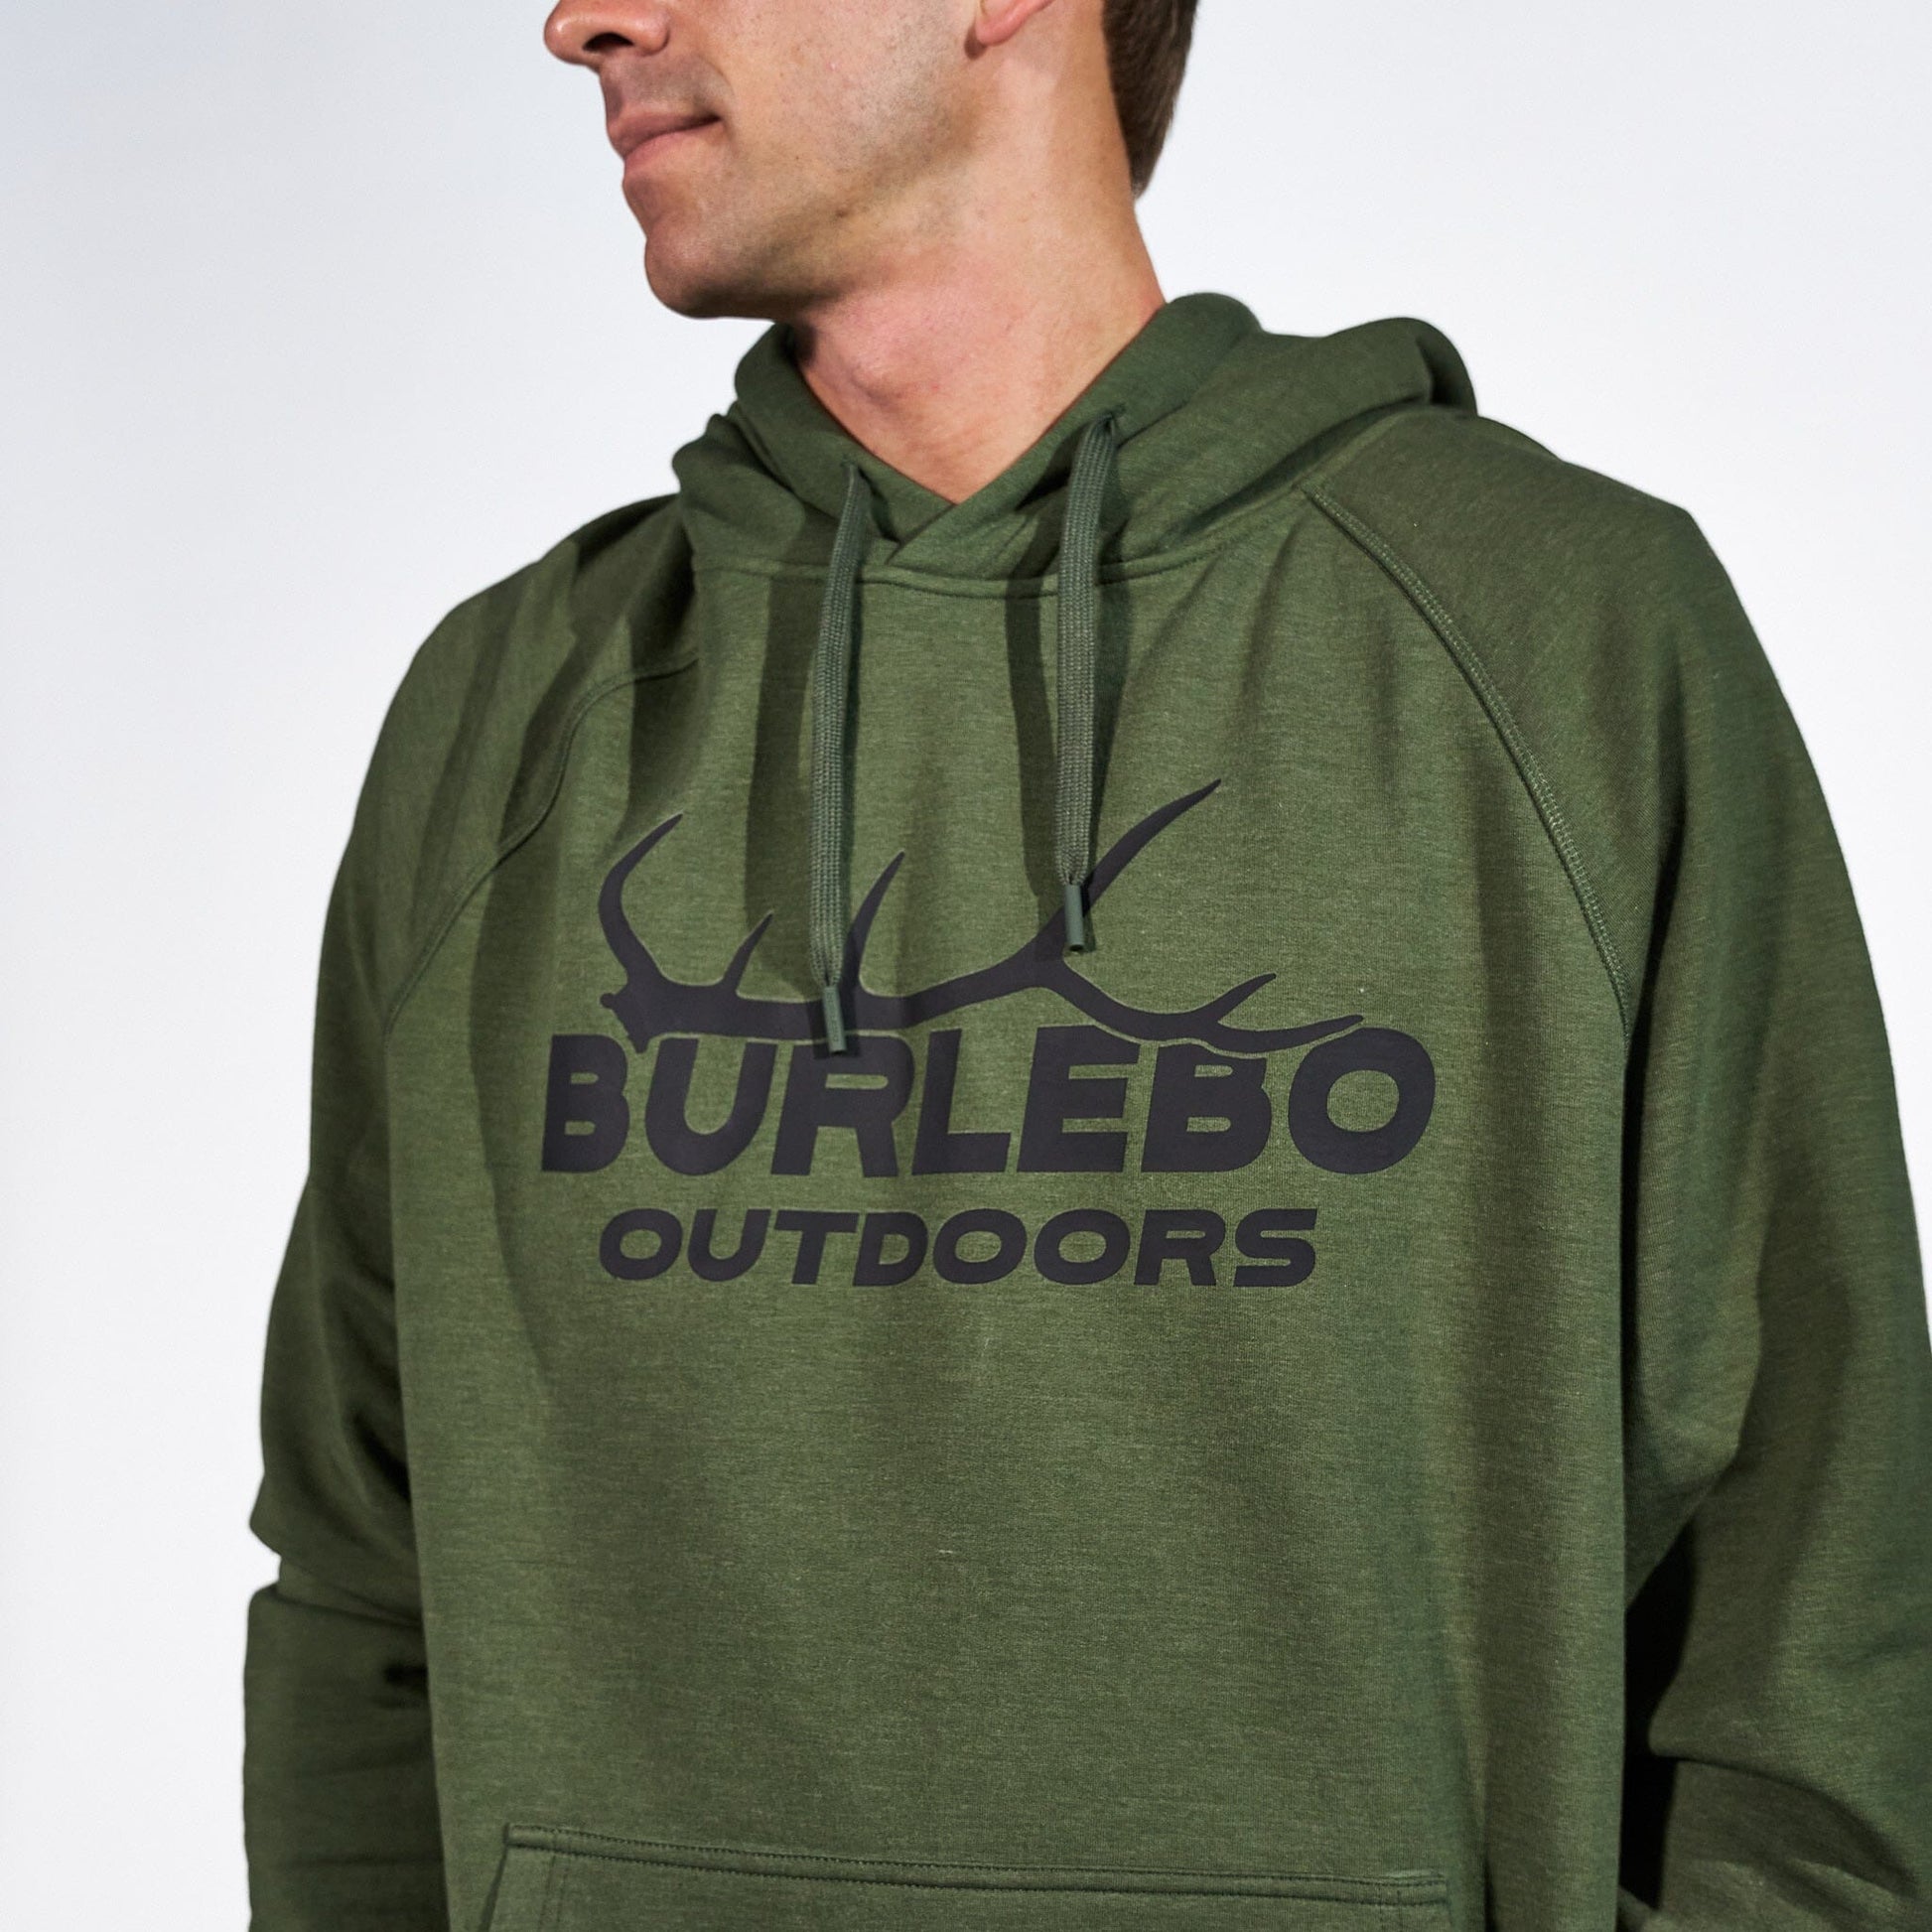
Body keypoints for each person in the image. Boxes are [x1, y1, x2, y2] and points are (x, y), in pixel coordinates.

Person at [240, 0, 1932, 1925]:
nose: (582, 20)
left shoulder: (1559, 647)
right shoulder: (512, 711)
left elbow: (1820, 1643)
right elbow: (362, 1591)